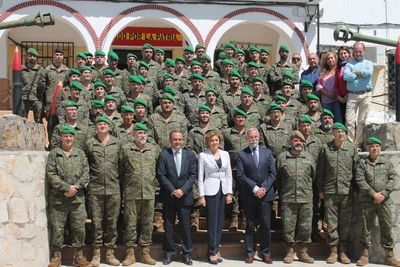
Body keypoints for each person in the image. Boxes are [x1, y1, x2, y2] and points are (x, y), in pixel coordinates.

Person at [46, 124, 90, 267]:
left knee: (79, 229)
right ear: (61, 138)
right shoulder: (54, 154)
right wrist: (66, 188)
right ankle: (56, 257)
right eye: (66, 136)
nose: (68, 138)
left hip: (77, 199)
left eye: (71, 136)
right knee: (57, 229)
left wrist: (75, 187)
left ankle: (79, 257)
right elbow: (51, 174)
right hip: (59, 199)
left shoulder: (80, 153)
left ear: (73, 137)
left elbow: (86, 173)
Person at [119, 123, 161, 266]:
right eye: (139, 133)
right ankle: (130, 254)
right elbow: (120, 170)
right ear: (134, 135)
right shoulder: (126, 149)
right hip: (131, 192)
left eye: (144, 133)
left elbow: (158, 169)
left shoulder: (154, 149)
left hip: (149, 192)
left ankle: (145, 253)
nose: (142, 135)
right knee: (130, 223)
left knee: (147, 224)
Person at [317, 122, 358, 264]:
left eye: (343, 132)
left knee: (345, 223)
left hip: (347, 191)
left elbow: (356, 171)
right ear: (333, 133)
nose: (341, 134)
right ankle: (333, 251)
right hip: (330, 191)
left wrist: (356, 190)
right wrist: (321, 189)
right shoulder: (325, 148)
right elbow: (320, 170)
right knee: (332, 222)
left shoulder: (351, 149)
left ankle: (343, 251)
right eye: (338, 131)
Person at [356, 137, 400, 266]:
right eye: (372, 146)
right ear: (368, 149)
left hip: (384, 201)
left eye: (377, 146)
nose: (374, 149)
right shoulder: (363, 163)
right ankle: (364, 255)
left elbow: (393, 179)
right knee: (365, 227)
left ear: (380, 148)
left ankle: (389, 255)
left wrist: (383, 194)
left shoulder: (387, 163)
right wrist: (373, 194)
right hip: (367, 201)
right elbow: (360, 180)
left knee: (386, 226)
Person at [84, 116, 121, 266]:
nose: (102, 126)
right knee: (97, 223)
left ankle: (110, 253)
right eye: (99, 124)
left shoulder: (117, 144)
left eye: (105, 124)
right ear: (96, 127)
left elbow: (123, 165)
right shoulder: (89, 143)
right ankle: (96, 253)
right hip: (95, 189)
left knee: (112, 222)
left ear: (109, 126)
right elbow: (85, 165)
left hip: (113, 188)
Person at [157, 130, 197, 265]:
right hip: (169, 196)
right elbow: (161, 174)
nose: (178, 142)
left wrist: (183, 190)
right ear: (170, 140)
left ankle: (187, 254)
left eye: (180, 139)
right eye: (175, 139)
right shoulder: (164, 155)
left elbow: (193, 175)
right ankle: (169, 253)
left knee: (185, 226)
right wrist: (173, 190)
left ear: (183, 140)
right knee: (169, 227)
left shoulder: (190, 155)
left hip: (185, 197)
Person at [236, 128, 276, 264]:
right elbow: (241, 175)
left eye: (255, 137)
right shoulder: (241, 154)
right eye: (251, 137)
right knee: (250, 225)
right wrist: (254, 188)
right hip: (249, 196)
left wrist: (263, 188)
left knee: (265, 225)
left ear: (259, 137)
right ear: (247, 139)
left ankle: (265, 253)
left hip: (265, 195)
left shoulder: (267, 153)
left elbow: (272, 173)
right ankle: (250, 253)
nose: (253, 139)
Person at [276, 130, 315, 264]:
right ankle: (289, 251)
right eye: (295, 140)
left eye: (301, 141)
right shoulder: (282, 158)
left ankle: (303, 252)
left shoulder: (309, 158)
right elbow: (278, 179)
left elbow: (313, 177)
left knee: (305, 227)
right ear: (291, 142)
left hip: (305, 198)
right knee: (288, 226)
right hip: (288, 197)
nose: (298, 143)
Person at [198, 130, 233, 264]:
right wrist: (201, 195)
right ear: (208, 142)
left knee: (219, 222)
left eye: (216, 140)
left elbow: (229, 174)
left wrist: (229, 192)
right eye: (212, 140)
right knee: (212, 222)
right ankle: (211, 251)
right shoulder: (203, 155)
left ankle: (217, 248)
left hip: (223, 190)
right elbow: (200, 177)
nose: (214, 142)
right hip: (210, 190)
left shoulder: (225, 154)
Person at [343, 42, 373, 148]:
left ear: (364, 52)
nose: (358, 53)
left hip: (365, 95)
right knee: (350, 120)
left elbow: (369, 73)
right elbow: (345, 76)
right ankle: (350, 144)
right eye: (356, 51)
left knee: (361, 121)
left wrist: (355, 73)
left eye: (360, 51)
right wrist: (359, 74)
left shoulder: (369, 63)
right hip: (352, 95)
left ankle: (358, 144)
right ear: (353, 52)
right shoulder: (349, 64)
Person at [316, 52, 343, 123]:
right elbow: (318, 85)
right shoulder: (323, 72)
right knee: (327, 122)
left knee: (338, 121)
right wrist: (327, 94)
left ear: (336, 58)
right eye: (328, 59)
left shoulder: (340, 70)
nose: (330, 60)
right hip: (325, 101)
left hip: (336, 100)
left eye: (331, 58)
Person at [21, 47, 44, 123]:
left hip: (36, 98)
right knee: (22, 120)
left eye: (34, 56)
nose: (32, 58)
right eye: (30, 56)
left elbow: (43, 84)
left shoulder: (40, 70)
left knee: (39, 121)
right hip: (24, 98)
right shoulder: (21, 69)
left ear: (36, 58)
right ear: (27, 56)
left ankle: (40, 135)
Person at [335, 46, 352, 121]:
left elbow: (353, 81)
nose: (343, 55)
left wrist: (347, 95)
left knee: (350, 118)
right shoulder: (338, 67)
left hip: (350, 95)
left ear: (349, 54)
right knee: (343, 118)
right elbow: (336, 83)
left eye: (345, 53)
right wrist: (339, 96)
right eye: (341, 54)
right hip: (341, 97)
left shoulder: (352, 65)